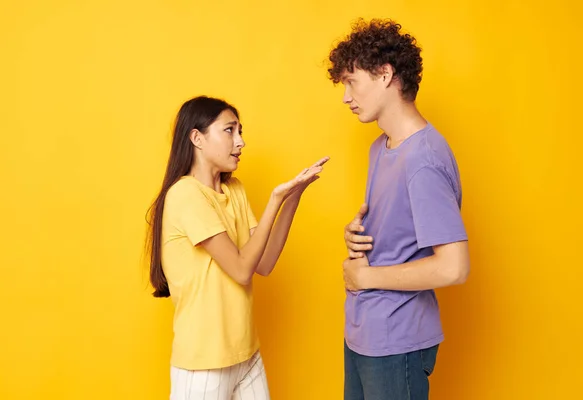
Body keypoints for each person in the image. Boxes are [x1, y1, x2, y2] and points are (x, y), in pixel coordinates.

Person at [146, 95, 328, 400]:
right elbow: (242, 271)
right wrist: (274, 200)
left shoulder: (234, 190)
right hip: (204, 364)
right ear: (197, 138)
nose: (240, 141)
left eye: (240, 131)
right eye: (229, 131)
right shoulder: (185, 195)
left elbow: (264, 263)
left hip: (246, 355)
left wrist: (293, 197)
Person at [327, 19, 470, 399]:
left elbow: (454, 266)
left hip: (398, 341)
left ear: (385, 74)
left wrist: (367, 278)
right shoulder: (382, 147)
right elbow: (399, 234)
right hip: (364, 332)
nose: (345, 96)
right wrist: (359, 236)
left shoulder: (423, 159)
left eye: (351, 81)